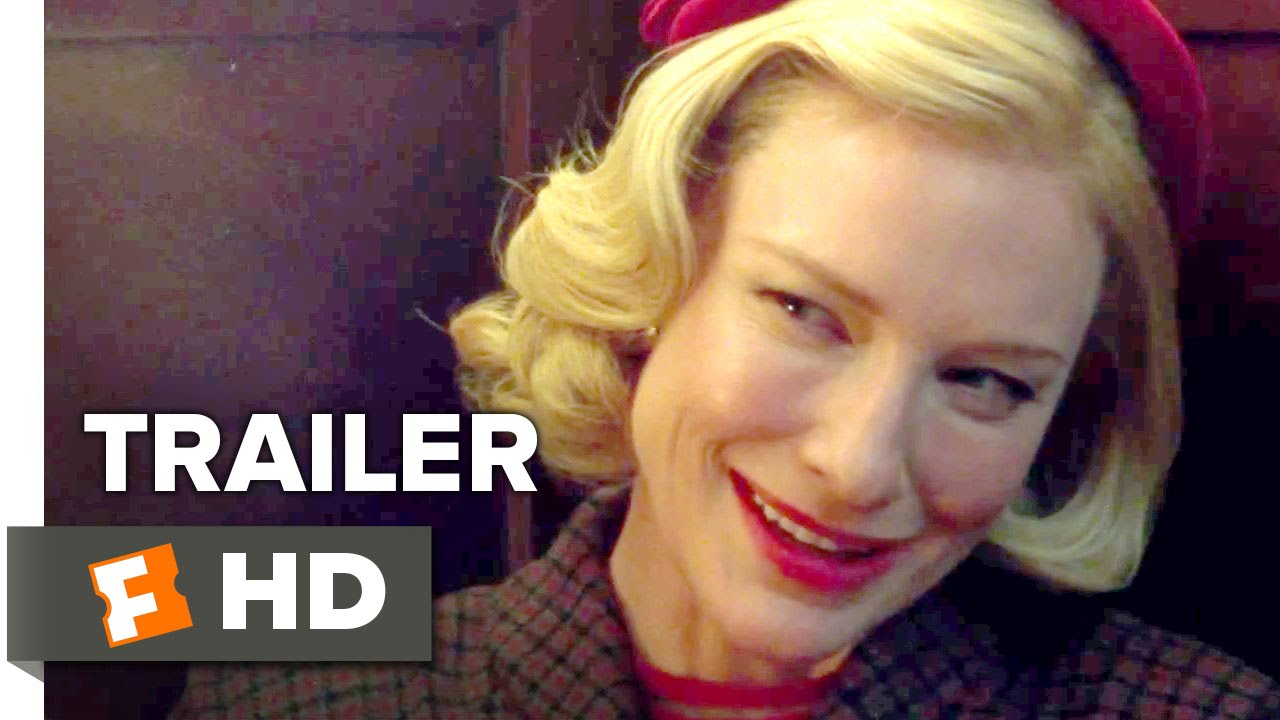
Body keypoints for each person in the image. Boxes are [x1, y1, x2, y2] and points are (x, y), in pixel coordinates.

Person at [170, 0, 1280, 717]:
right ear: (653, 273)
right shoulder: (298, 699)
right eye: (806, 311)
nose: (857, 467)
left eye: (984, 381)